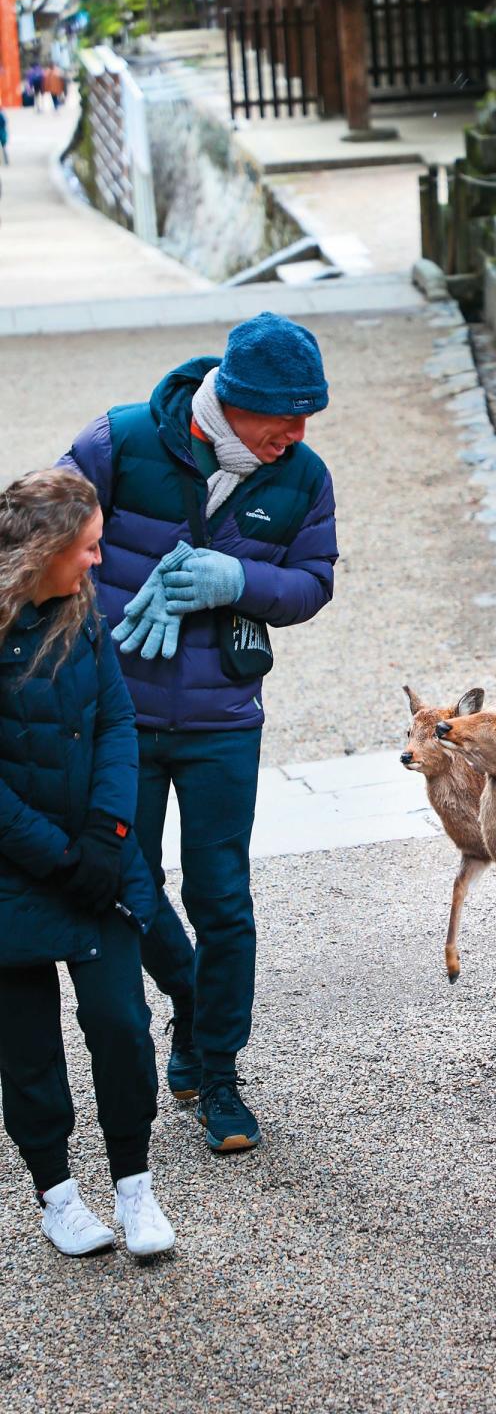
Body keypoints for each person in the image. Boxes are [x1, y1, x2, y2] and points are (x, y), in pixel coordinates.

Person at [63, 312, 338, 1155]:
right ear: (230, 400)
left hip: (224, 720)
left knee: (223, 898)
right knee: (127, 888)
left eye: (305, 421)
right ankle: (189, 999)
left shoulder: (302, 476)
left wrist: (237, 580)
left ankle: (216, 1070)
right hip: (116, 718)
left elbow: (313, 583)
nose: (293, 436)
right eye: (280, 419)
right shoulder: (117, 441)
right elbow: (39, 545)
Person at [0, 469, 175, 1258]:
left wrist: (108, 836)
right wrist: (55, 856)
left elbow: (115, 722)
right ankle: (58, 1198)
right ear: (42, 551)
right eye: (89, 548)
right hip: (14, 879)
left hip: (97, 866)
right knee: (27, 1048)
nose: (99, 562)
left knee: (121, 1026)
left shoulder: (83, 611)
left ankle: (135, 1190)